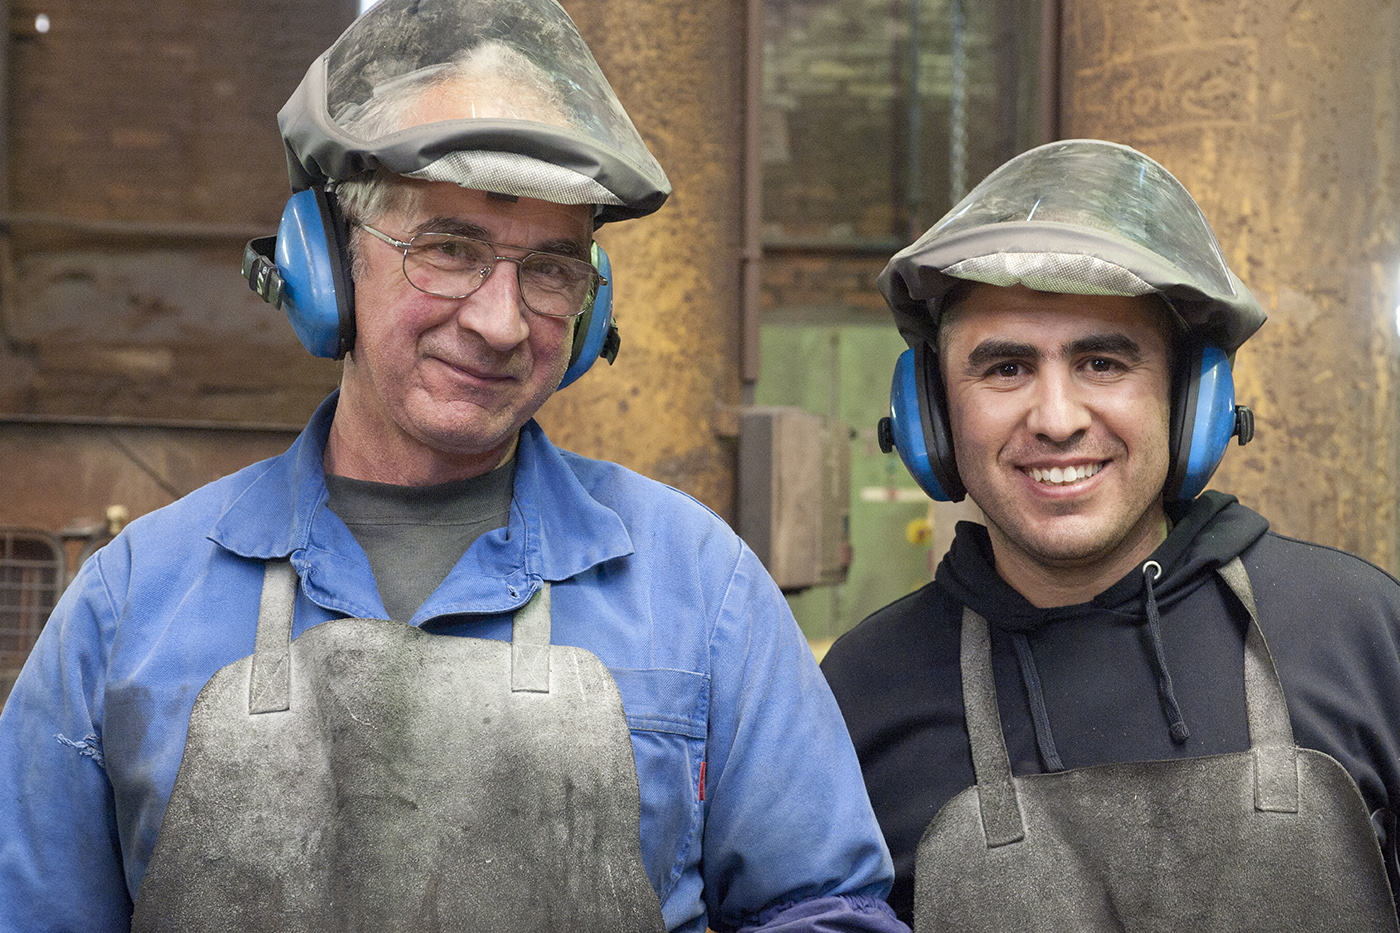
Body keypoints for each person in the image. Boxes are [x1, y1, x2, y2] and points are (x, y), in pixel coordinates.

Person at [0, 2, 904, 931]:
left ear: (591, 314)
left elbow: (825, 910)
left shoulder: (703, 593)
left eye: (550, 270)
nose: (501, 321)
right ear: (329, 266)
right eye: (449, 249)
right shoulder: (130, 607)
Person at [819, 138, 1400, 931]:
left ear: (1190, 401)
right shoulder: (863, 689)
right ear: (933, 418)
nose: (1056, 420)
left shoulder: (1361, 633)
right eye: (1005, 369)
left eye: (1101, 362)